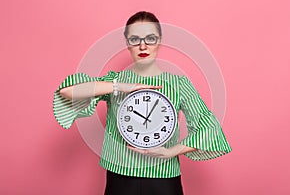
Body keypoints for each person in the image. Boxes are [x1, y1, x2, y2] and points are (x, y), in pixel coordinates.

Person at [53, 11, 232, 195]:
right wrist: (120, 86)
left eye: (150, 38)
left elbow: (209, 129)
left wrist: (171, 152)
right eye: (135, 39)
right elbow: (67, 92)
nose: (143, 45)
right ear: (127, 43)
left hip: (164, 178)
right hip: (120, 176)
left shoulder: (179, 84)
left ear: (160, 41)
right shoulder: (114, 81)